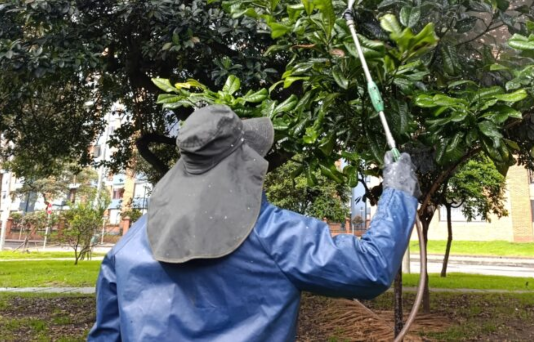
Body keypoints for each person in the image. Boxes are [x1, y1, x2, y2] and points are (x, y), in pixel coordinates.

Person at [88, 104, 418, 341]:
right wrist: (398, 193)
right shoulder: (274, 234)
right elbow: (370, 268)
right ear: (242, 161)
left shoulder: (128, 246)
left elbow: (106, 336)